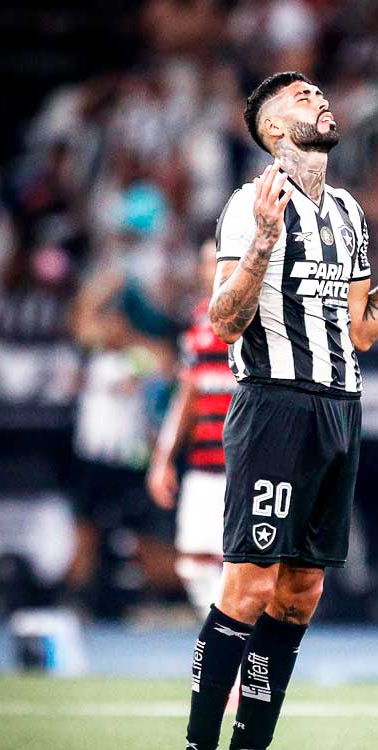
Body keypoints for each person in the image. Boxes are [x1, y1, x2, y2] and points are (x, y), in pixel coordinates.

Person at [172, 71, 378, 750]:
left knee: (301, 593)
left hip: (340, 408)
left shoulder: (349, 212)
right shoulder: (250, 204)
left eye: (319, 94)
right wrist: (264, 244)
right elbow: (225, 321)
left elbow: (361, 331)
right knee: (249, 585)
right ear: (272, 129)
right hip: (274, 406)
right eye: (301, 98)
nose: (320, 101)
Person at [147, 240, 236, 619]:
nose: (214, 270)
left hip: (248, 465)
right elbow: (187, 395)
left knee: (249, 563)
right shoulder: (200, 321)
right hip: (204, 461)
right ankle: (220, 632)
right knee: (193, 560)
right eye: (208, 263)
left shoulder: (264, 320)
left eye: (222, 261)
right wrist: (163, 459)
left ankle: (240, 637)